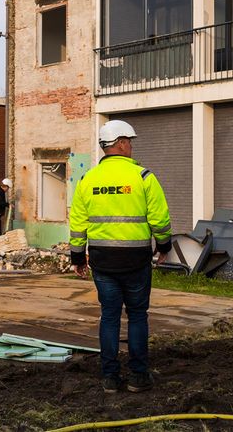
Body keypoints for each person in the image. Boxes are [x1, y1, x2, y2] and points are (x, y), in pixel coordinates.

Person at [69, 120, 172, 393]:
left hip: (102, 261)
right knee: (138, 315)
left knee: (109, 316)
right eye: (130, 141)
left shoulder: (87, 179)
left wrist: (78, 258)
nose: (131, 146)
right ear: (123, 143)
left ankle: (110, 378)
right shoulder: (143, 177)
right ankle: (138, 376)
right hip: (136, 260)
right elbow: (160, 219)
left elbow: (78, 223)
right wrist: (164, 246)